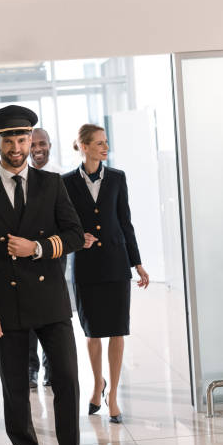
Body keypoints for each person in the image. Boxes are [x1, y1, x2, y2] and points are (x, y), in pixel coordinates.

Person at [0, 105, 95, 445]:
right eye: (10, 140)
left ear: (30, 140)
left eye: (23, 139)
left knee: (67, 385)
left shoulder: (51, 184)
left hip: (52, 303)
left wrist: (37, 247)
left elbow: (73, 235)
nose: (17, 147)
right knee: (16, 389)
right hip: (5, 307)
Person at [63, 124, 149, 424]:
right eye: (99, 143)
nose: (105, 147)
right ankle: (97, 383)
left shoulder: (117, 178)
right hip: (85, 267)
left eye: (106, 142)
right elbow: (63, 225)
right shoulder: (65, 183)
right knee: (92, 333)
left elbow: (126, 222)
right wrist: (76, 239)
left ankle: (112, 396)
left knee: (117, 330)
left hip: (116, 263)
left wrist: (136, 262)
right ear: (83, 146)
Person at [28, 127, 63, 388]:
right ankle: (30, 370)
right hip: (26, 253)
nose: (38, 148)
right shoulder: (20, 177)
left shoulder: (61, 176)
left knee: (52, 313)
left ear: (50, 144)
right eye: (33, 144)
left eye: (42, 143)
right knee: (28, 315)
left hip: (54, 252)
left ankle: (52, 370)